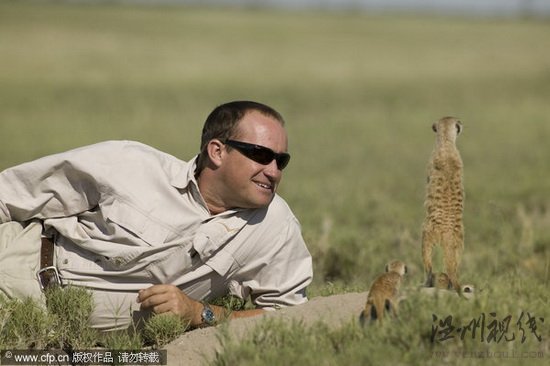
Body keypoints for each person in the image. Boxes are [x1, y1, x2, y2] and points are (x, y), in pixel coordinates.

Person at [0, 100, 312, 331]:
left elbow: (287, 318)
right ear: (217, 151)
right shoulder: (128, 163)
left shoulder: (276, 227)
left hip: (73, 339)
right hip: (15, 269)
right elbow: (10, 194)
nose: (272, 171)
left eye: (281, 160)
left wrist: (200, 313)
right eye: (260, 154)